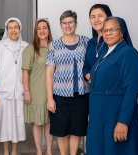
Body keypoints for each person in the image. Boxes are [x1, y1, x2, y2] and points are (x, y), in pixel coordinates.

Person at [86, 17, 138, 155]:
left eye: (112, 29)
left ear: (122, 32)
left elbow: (132, 90)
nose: (108, 33)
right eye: (105, 30)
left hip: (115, 114)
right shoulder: (105, 53)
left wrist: (123, 121)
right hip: (99, 115)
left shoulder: (129, 53)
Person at [46, 10, 90, 155]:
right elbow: (49, 73)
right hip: (60, 96)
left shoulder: (86, 42)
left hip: (81, 95)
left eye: (70, 22)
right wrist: (50, 99)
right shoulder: (54, 45)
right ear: (61, 25)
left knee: (77, 130)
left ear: (76, 24)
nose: (67, 25)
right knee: (61, 130)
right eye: (64, 23)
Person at [0, 17, 28, 155]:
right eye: (10, 27)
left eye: (16, 27)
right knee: (4, 125)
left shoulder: (26, 46)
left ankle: (14, 151)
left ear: (20, 29)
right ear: (6, 30)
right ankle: (6, 151)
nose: (13, 30)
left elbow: (28, 70)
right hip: (3, 92)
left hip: (19, 91)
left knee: (17, 123)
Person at [22, 18, 53, 155]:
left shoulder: (55, 46)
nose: (42, 31)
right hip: (36, 91)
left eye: (44, 27)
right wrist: (27, 91)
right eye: (39, 28)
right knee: (38, 123)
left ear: (49, 30)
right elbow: (25, 71)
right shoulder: (30, 48)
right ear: (35, 31)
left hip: (52, 91)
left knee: (49, 122)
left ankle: (49, 151)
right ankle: (39, 151)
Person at [83, 4, 113, 82]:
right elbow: (86, 67)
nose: (96, 20)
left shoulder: (113, 40)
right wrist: (89, 77)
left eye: (100, 16)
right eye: (93, 17)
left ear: (108, 17)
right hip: (94, 91)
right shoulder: (91, 42)